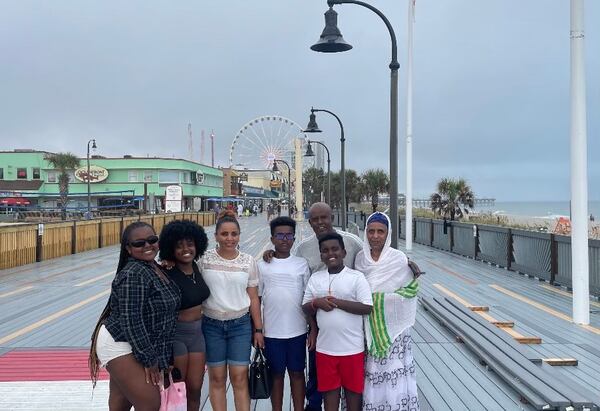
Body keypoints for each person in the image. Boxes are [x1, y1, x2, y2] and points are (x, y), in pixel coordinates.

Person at [263, 202, 363, 411]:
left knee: (351, 378)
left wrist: (404, 262)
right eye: (315, 219)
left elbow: (371, 262)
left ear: (332, 217)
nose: (320, 223)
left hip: (350, 325)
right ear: (309, 222)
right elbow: (287, 264)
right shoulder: (302, 249)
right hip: (315, 322)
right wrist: (270, 254)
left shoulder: (353, 242)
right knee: (318, 372)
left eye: (324, 218)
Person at [89, 221, 180, 411]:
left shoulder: (153, 267)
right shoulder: (134, 274)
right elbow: (132, 321)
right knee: (150, 404)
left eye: (152, 240)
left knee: (120, 403)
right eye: (139, 244)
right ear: (128, 249)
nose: (147, 246)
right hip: (119, 342)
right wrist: (150, 360)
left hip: (133, 341)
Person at [200, 210, 264, 411]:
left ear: (239, 235)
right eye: (224, 234)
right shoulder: (203, 260)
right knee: (217, 378)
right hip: (211, 325)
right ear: (216, 236)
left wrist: (258, 330)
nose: (229, 238)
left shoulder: (248, 261)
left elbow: (253, 297)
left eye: (234, 234)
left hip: (240, 325)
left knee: (239, 378)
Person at [355, 212, 420, 410]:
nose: (375, 236)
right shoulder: (359, 259)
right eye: (371, 231)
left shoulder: (398, 259)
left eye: (380, 232)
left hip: (394, 333)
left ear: (388, 233)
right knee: (372, 371)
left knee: (394, 372)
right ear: (365, 232)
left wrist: (379, 300)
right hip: (367, 329)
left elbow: (409, 292)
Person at [302, 232, 373, 411]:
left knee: (353, 397)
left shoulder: (356, 277)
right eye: (325, 250)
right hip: (325, 350)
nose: (330, 253)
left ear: (343, 252)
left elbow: (367, 307)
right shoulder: (315, 278)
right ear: (321, 255)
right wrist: (316, 302)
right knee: (330, 397)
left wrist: (336, 302)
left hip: (352, 350)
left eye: (335, 249)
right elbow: (305, 307)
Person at [257, 216, 315, 411]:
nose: (284, 239)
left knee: (298, 374)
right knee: (276, 375)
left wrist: (312, 329)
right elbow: (256, 299)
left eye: (289, 235)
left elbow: (308, 300)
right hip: (272, 332)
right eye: (280, 235)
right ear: (272, 238)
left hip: (297, 331)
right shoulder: (262, 265)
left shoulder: (301, 263)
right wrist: (256, 329)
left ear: (294, 238)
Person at [159, 220, 211, 411]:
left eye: (189, 244)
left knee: (195, 389)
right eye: (178, 246)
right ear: (170, 248)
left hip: (197, 336)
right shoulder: (166, 271)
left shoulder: (197, 267)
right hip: (177, 337)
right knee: (177, 389)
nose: (185, 249)